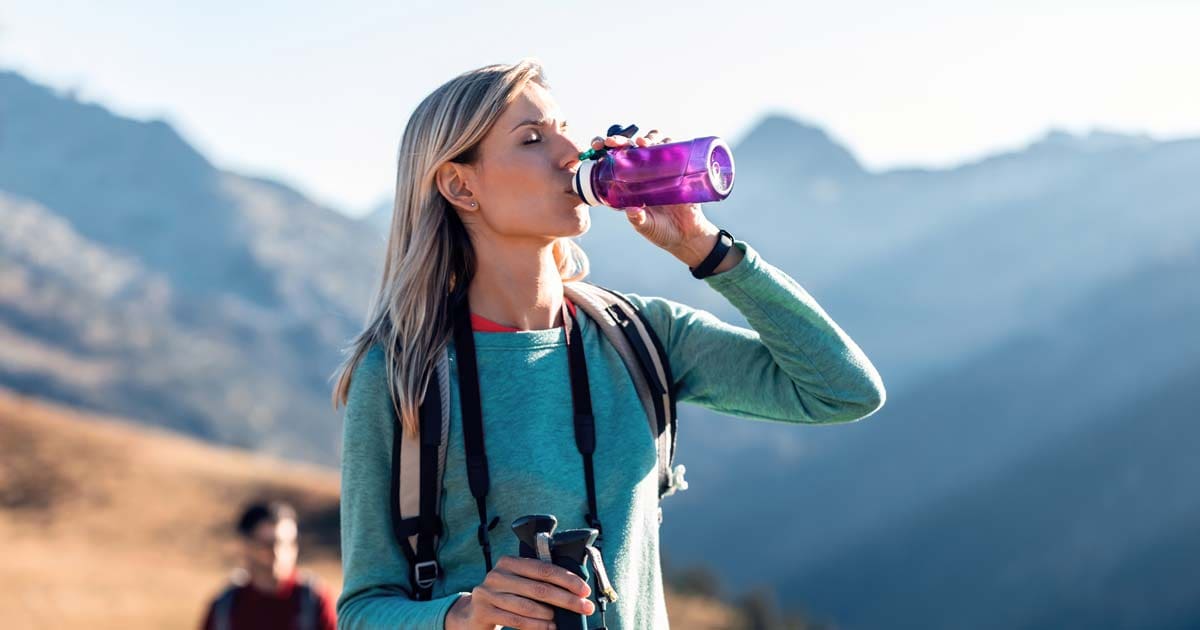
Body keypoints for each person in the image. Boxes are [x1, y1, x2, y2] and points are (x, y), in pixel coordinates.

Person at [331, 59, 886, 629]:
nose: (572, 151)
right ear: (460, 185)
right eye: (532, 138)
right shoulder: (404, 376)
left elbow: (843, 391)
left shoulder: (639, 337)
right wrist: (463, 614)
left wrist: (704, 248)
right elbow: (363, 610)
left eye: (565, 127)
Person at [199, 501, 337, 630]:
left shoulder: (314, 601)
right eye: (268, 544)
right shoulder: (224, 608)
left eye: (287, 544)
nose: (278, 552)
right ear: (246, 547)